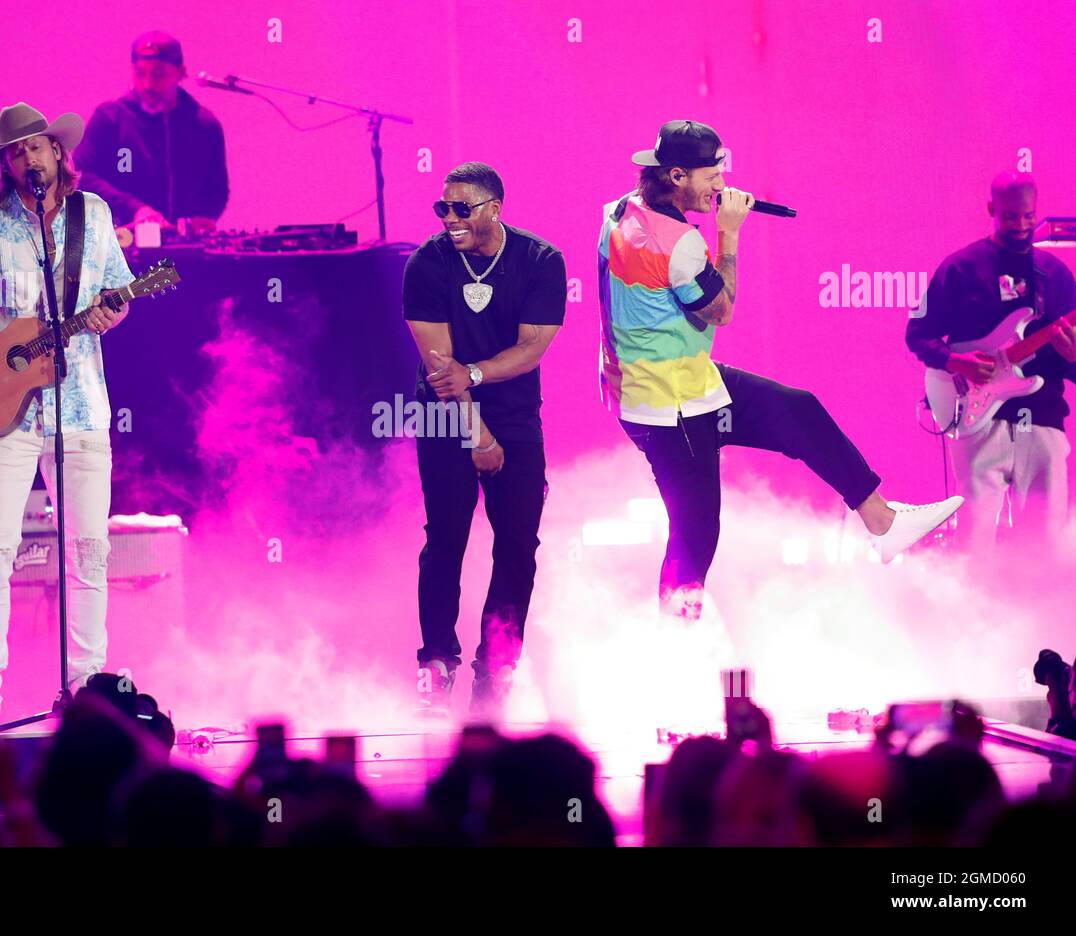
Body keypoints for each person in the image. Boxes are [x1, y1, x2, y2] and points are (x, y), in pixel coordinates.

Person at [600, 120, 962, 619]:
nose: (722, 187)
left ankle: (882, 522)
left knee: (797, 410)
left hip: (675, 382)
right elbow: (721, 309)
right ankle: (674, 644)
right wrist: (728, 234)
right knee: (696, 529)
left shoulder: (622, 208)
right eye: (712, 176)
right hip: (668, 403)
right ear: (677, 175)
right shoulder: (677, 242)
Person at [0, 102, 134, 732]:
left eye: (35, 148)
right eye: (15, 152)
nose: (27, 159)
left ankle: (88, 692)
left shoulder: (91, 216)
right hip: (0, 409)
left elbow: (118, 293)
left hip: (80, 406)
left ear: (56, 152)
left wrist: (110, 311)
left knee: (89, 551)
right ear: (6, 163)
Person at [403, 161, 566, 717]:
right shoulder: (427, 263)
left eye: (461, 208)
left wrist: (478, 377)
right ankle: (436, 663)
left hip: (517, 415)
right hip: (448, 416)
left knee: (518, 547)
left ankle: (496, 669)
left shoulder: (539, 261)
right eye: (442, 208)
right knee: (445, 540)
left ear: (494, 209)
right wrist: (477, 435)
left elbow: (532, 348)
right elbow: (441, 368)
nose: (449, 218)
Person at [907, 172, 1076, 553]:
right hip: (979, 423)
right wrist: (956, 362)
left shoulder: (1055, 275)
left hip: (1044, 420)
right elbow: (917, 334)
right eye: (1011, 216)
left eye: (1028, 217)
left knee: (1045, 546)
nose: (1021, 225)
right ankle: (974, 613)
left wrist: (1073, 357)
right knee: (975, 543)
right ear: (991, 211)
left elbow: (1072, 368)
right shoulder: (961, 268)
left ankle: (1039, 613)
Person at [73, 30, 229, 231]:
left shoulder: (204, 124)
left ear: (180, 73)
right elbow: (82, 176)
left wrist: (203, 218)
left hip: (186, 248)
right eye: (140, 74)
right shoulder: (110, 118)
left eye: (158, 74)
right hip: (124, 242)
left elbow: (217, 189)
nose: (148, 85)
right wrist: (135, 209)